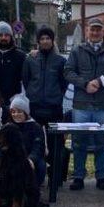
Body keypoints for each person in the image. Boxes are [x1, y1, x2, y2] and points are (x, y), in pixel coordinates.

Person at [64, 18, 104, 190]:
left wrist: (101, 81)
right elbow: (68, 72)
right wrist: (84, 84)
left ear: (103, 32)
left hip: (103, 105)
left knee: (101, 143)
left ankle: (102, 176)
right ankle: (78, 176)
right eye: (92, 29)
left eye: (98, 30)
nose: (95, 32)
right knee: (78, 142)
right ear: (87, 31)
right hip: (81, 105)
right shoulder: (77, 51)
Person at [22, 26, 67, 167]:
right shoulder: (30, 60)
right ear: (38, 41)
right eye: (42, 38)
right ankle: (37, 173)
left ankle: (55, 176)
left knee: (56, 143)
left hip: (54, 108)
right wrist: (33, 94)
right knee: (36, 142)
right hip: (34, 107)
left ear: (52, 41)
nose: (45, 41)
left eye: (48, 38)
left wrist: (56, 96)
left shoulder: (60, 61)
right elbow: (26, 79)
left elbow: (63, 83)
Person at [0, 21, 26, 104]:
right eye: (0, 35)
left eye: (6, 35)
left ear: (11, 37)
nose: (3, 38)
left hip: (14, 102)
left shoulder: (20, 56)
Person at [9, 94, 47, 186]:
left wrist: (31, 159)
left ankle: (34, 191)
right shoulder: (9, 126)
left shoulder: (36, 127)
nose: (16, 114)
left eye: (19, 112)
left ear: (26, 112)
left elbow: (38, 147)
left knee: (41, 165)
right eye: (13, 112)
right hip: (13, 157)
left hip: (30, 157)